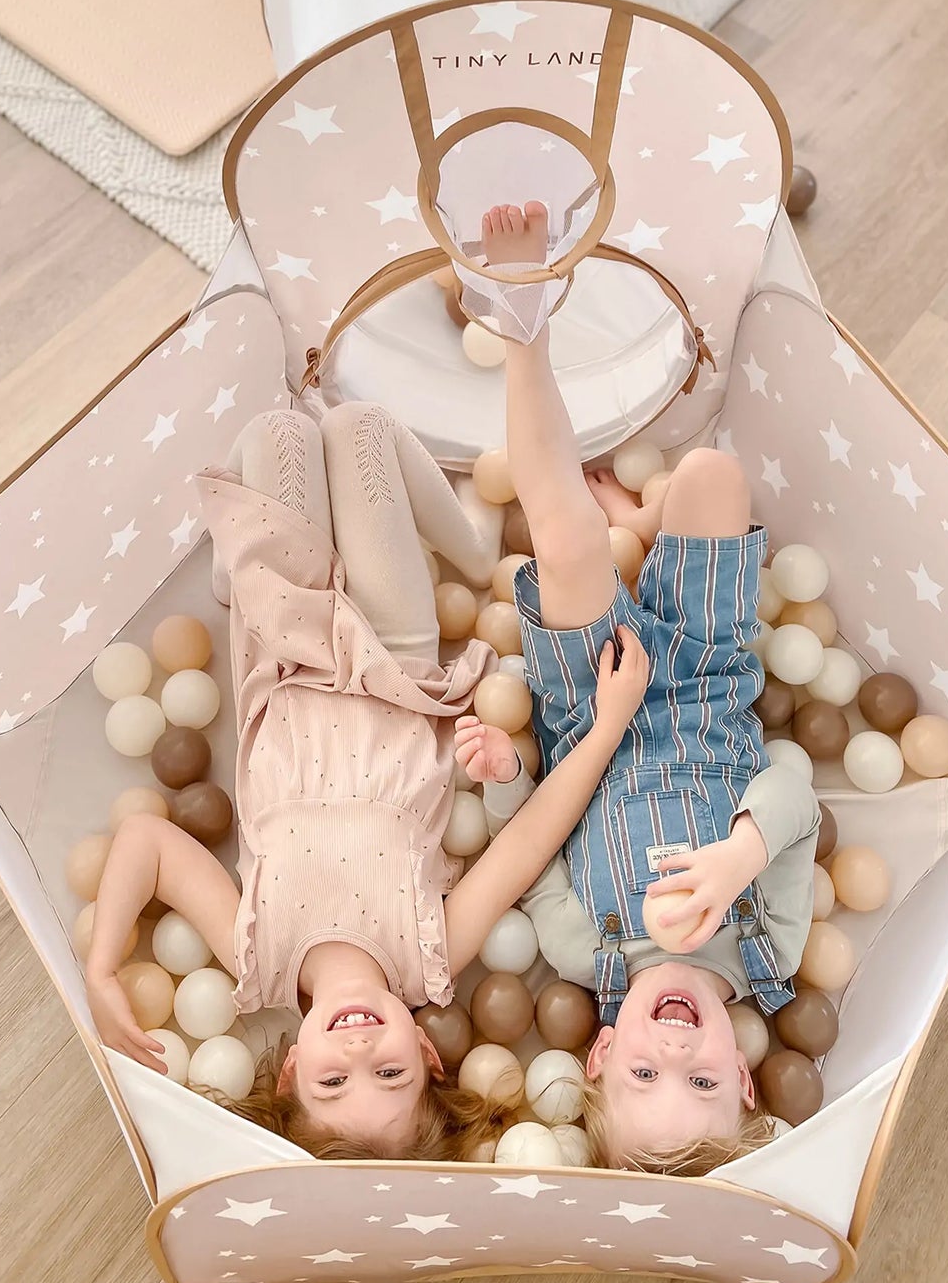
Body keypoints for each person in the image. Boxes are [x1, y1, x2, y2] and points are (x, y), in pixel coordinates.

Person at [85, 401, 648, 1161]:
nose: (357, 1054)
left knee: (279, 433)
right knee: (358, 428)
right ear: (427, 1050)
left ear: (289, 1070)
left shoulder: (255, 958)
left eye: (331, 1084)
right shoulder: (431, 956)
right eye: (388, 1073)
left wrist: (101, 964)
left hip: (285, 655)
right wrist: (607, 727)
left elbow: (146, 840)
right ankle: (476, 551)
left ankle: (238, 569)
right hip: (396, 658)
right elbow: (527, 840)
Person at [477, 201, 819, 1174]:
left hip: (593, 699)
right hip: (708, 683)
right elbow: (791, 791)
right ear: (745, 1075)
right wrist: (735, 860)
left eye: (642, 1076)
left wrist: (504, 770)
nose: (673, 1052)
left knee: (566, 534)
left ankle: (519, 319)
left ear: (599, 1049)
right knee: (712, 472)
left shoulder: (587, 956)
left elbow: (531, 853)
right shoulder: (771, 951)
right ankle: (649, 509)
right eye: (701, 1080)